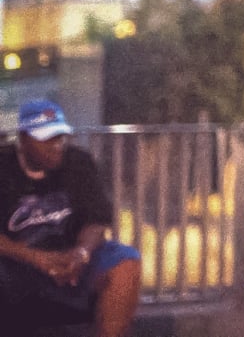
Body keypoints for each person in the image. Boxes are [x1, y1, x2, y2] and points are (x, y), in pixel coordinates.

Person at [0, 99, 141, 337]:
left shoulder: (78, 162)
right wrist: (35, 258)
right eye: (46, 138)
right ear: (23, 139)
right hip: (16, 262)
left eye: (59, 136)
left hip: (71, 259)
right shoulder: (4, 167)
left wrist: (82, 252)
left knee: (125, 261)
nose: (56, 145)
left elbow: (96, 218)